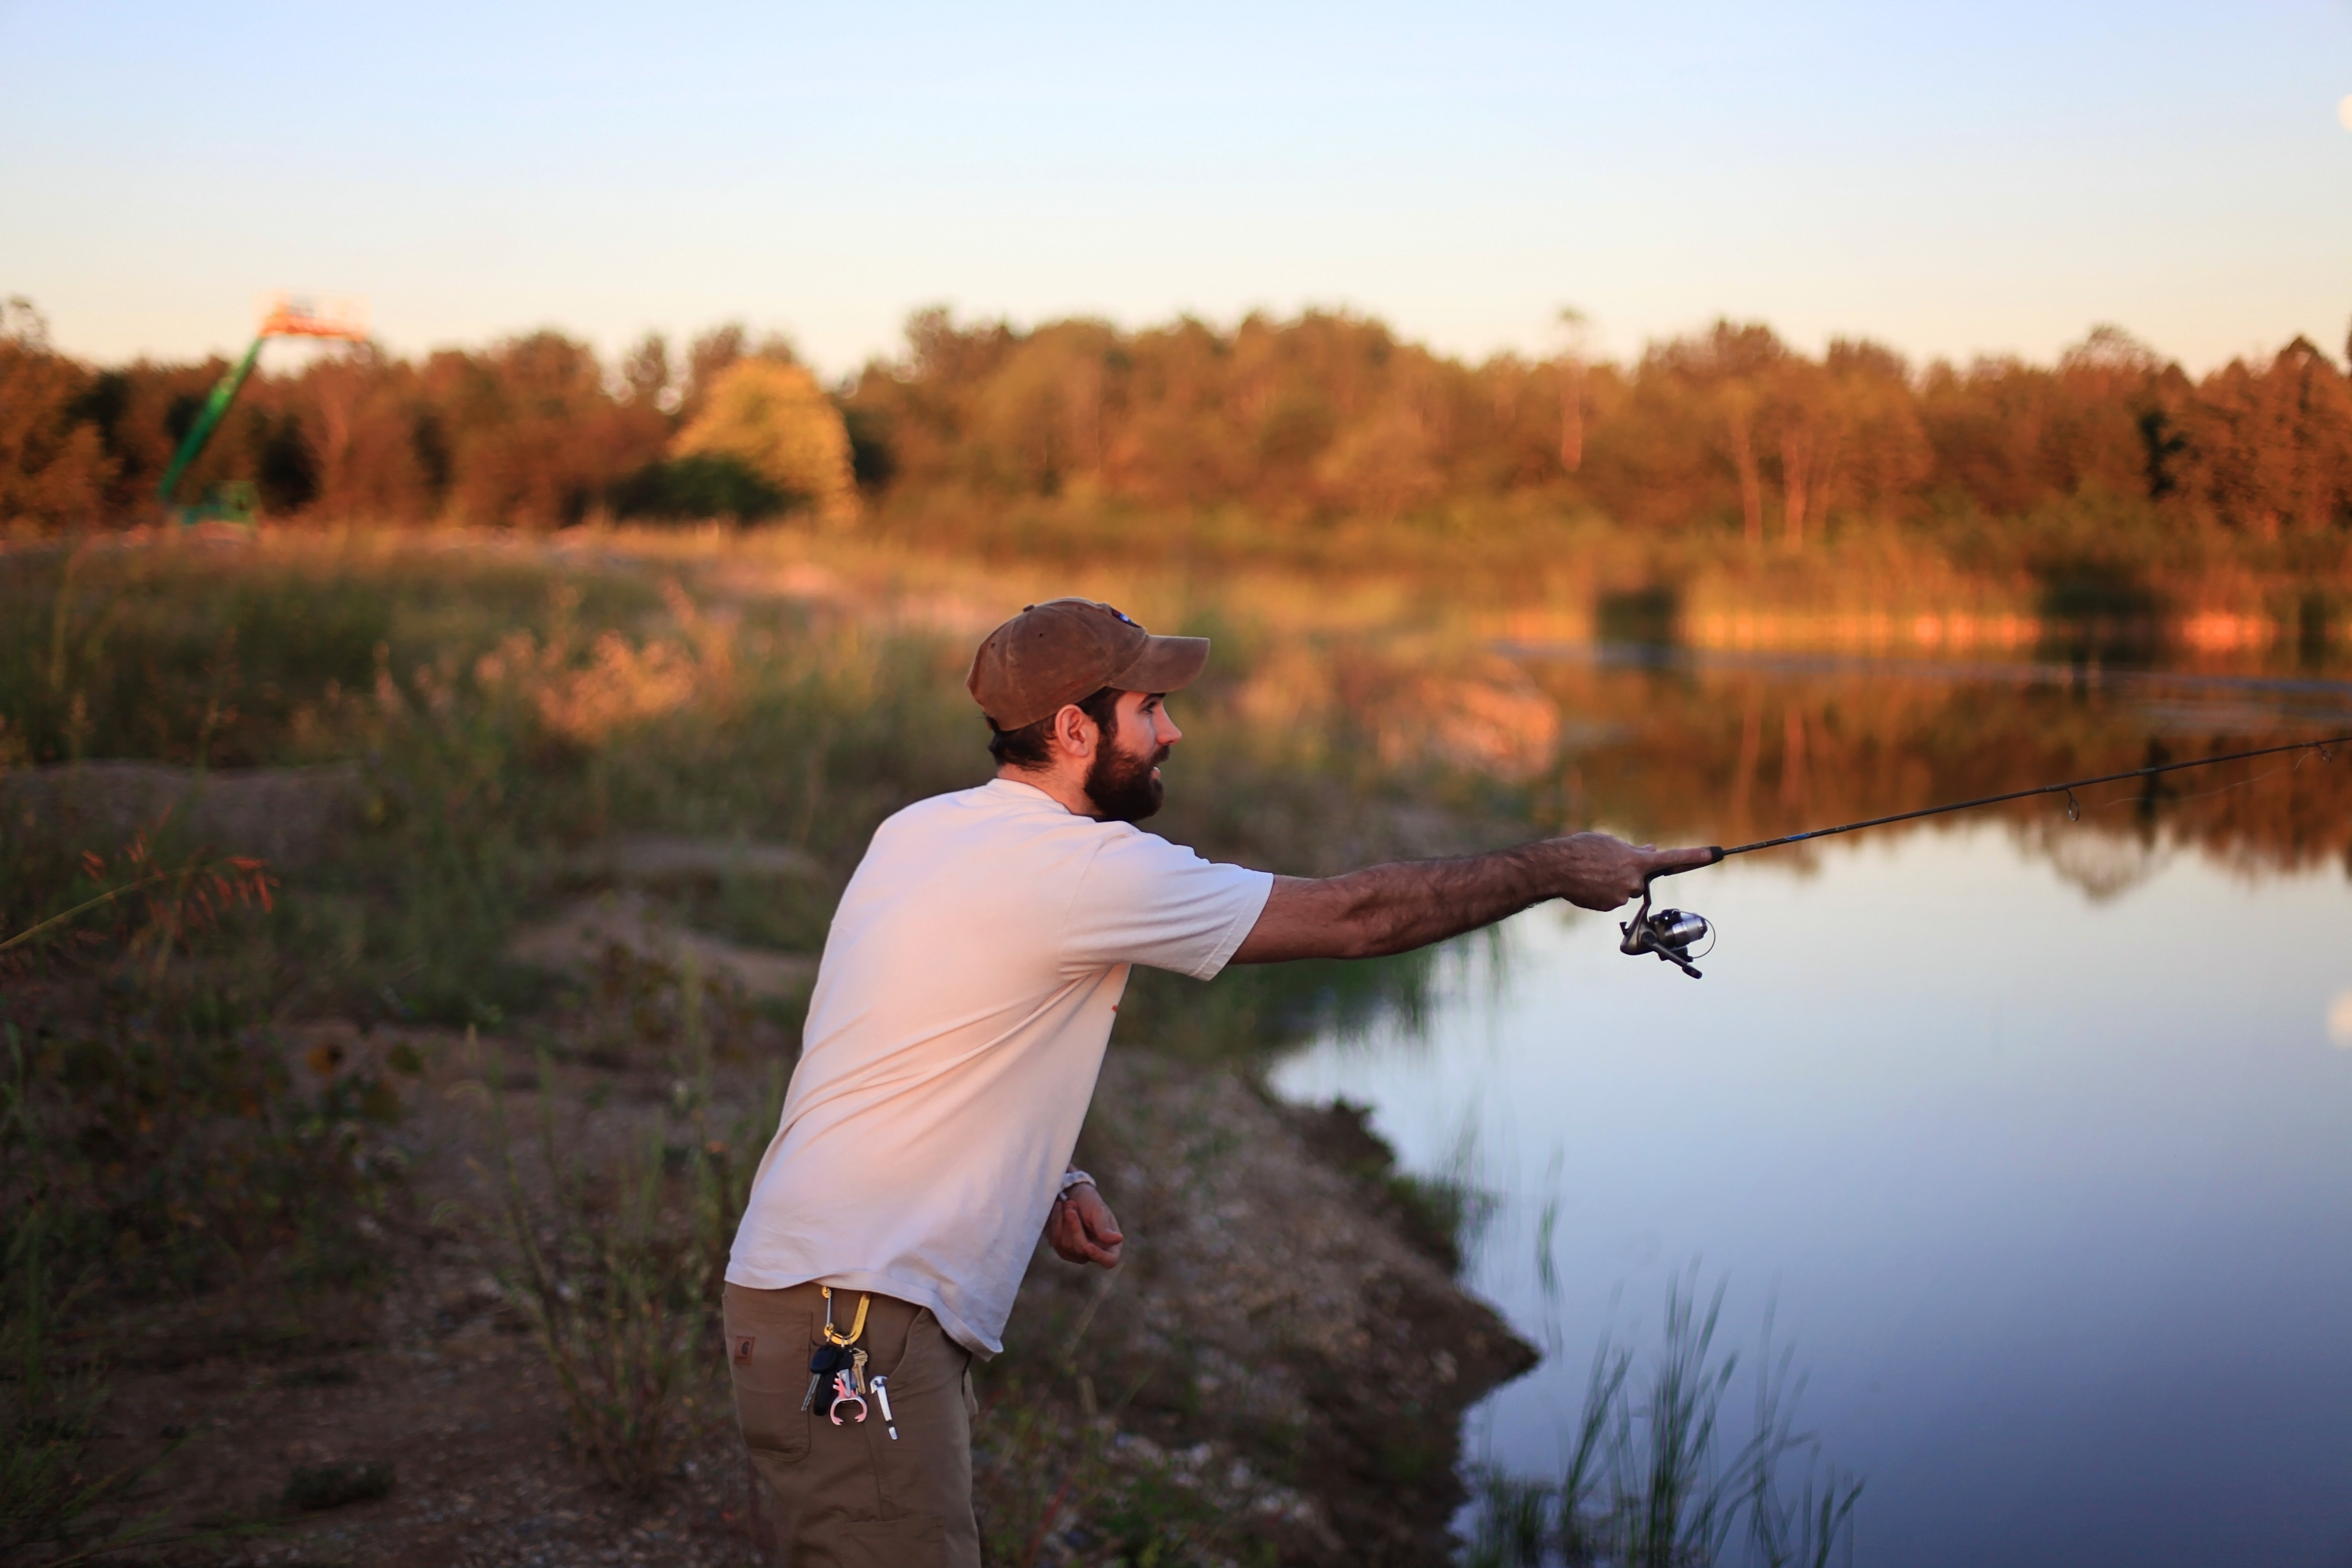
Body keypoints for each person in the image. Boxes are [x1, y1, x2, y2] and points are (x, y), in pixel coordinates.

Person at [722, 598, 1712, 1564]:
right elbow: (1357, 919)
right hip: (855, 1322)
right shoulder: (1083, 868)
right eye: (1149, 709)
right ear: (1074, 727)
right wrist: (1552, 868)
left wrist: (1050, 1174)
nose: (1174, 730)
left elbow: (904, 1034)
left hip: (825, 1301)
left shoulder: (924, 830)